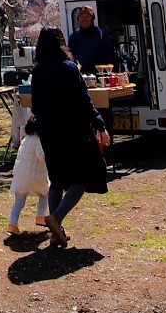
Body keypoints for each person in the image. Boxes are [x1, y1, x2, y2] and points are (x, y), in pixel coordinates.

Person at [30, 25, 109, 246]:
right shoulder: (68, 68)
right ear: (60, 44)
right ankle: (56, 218)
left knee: (57, 179)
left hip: (49, 131)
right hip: (73, 131)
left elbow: (36, 105)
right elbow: (84, 101)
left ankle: (57, 234)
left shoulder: (38, 71)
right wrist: (99, 125)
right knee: (82, 176)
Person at [7, 113, 50, 236]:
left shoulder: (25, 140)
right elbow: (42, 157)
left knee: (19, 201)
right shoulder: (38, 141)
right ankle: (40, 216)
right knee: (45, 192)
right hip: (35, 177)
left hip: (20, 176)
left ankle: (12, 224)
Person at [67, 4, 114, 74]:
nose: (84, 19)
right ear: (78, 19)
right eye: (81, 17)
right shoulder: (73, 37)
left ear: (92, 18)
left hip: (100, 75)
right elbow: (71, 58)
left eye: (87, 16)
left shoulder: (101, 34)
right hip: (81, 76)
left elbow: (110, 56)